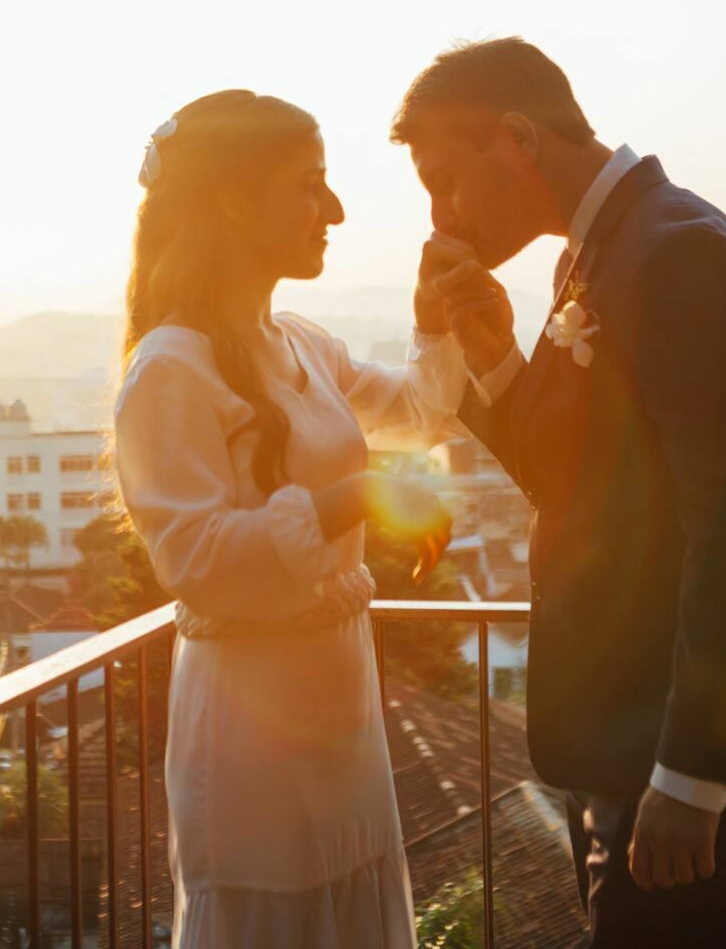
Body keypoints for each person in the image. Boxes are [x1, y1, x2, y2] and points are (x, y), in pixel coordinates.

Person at [392, 38, 726, 946]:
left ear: (517, 137)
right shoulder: (600, 252)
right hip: (628, 738)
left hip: (684, 752)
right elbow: (578, 483)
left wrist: (691, 774)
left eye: (446, 181)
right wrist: (492, 354)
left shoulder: (679, 253)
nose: (442, 214)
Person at [111, 88, 466, 948]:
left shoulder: (300, 342)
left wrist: (434, 322)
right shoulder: (171, 370)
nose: (334, 211)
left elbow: (418, 412)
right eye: (311, 184)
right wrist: (360, 497)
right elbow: (197, 561)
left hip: (338, 720)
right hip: (251, 743)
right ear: (233, 199)